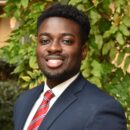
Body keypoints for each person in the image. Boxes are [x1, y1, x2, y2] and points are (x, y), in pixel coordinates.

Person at [13, 3, 126, 130]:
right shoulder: (24, 101)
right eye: (45, 40)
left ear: (83, 51)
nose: (53, 48)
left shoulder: (102, 110)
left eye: (66, 41)